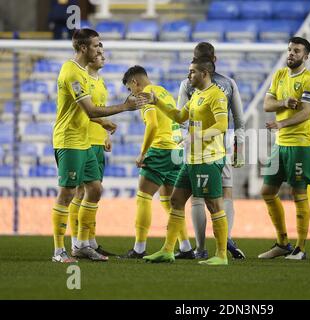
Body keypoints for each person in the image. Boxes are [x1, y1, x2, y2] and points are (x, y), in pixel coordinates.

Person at [51, 28, 149, 263]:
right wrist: (125, 107)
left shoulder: (85, 74)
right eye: (96, 45)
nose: (99, 49)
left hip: (84, 141)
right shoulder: (72, 72)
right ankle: (59, 251)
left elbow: (89, 114)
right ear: (83, 48)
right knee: (68, 193)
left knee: (95, 190)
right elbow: (90, 109)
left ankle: (83, 243)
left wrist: (104, 124)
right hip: (70, 140)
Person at [144, 57, 230, 266]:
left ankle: (221, 255)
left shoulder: (216, 95)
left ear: (204, 73)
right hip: (192, 159)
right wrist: (158, 102)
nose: (189, 75)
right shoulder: (197, 95)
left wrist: (197, 136)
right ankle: (167, 250)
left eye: (192, 71)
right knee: (176, 200)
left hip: (207, 159)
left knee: (213, 204)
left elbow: (222, 125)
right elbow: (179, 116)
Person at [177, 42, 245, 260]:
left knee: (198, 198)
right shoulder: (228, 83)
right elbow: (239, 119)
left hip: (198, 149)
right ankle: (227, 240)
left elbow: (180, 120)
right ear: (214, 59)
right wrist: (239, 148)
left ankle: (201, 247)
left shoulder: (188, 84)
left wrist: (185, 140)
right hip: (221, 148)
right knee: (225, 194)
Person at [259, 37, 310, 260]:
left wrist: (282, 122)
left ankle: (301, 248)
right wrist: (284, 102)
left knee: (298, 193)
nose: (291, 54)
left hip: (299, 145)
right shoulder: (280, 75)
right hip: (280, 144)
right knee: (267, 192)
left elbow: (306, 112)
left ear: (306, 56)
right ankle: (282, 243)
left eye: (296, 50)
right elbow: (266, 104)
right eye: (289, 50)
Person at [119, 65, 187, 259]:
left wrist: (143, 153)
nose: (131, 93)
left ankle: (139, 248)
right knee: (170, 202)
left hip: (161, 150)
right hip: (176, 151)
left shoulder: (145, 94)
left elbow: (153, 125)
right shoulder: (163, 91)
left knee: (143, 197)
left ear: (134, 82)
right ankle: (185, 246)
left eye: (130, 89)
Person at [68, 42, 116, 258]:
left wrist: (105, 135)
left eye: (103, 52)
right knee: (81, 192)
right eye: (99, 52)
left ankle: (90, 240)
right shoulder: (83, 80)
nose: (102, 55)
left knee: (94, 193)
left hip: (98, 142)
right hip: (84, 142)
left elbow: (100, 113)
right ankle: (77, 241)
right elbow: (87, 112)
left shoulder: (101, 82)